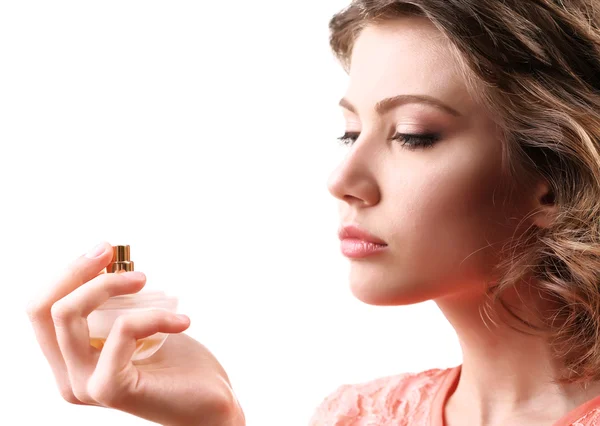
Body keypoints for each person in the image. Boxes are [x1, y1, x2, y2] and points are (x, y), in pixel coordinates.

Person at [27, 0, 600, 425]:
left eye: (411, 135)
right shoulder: (352, 417)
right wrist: (213, 420)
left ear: (554, 177)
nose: (342, 180)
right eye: (349, 133)